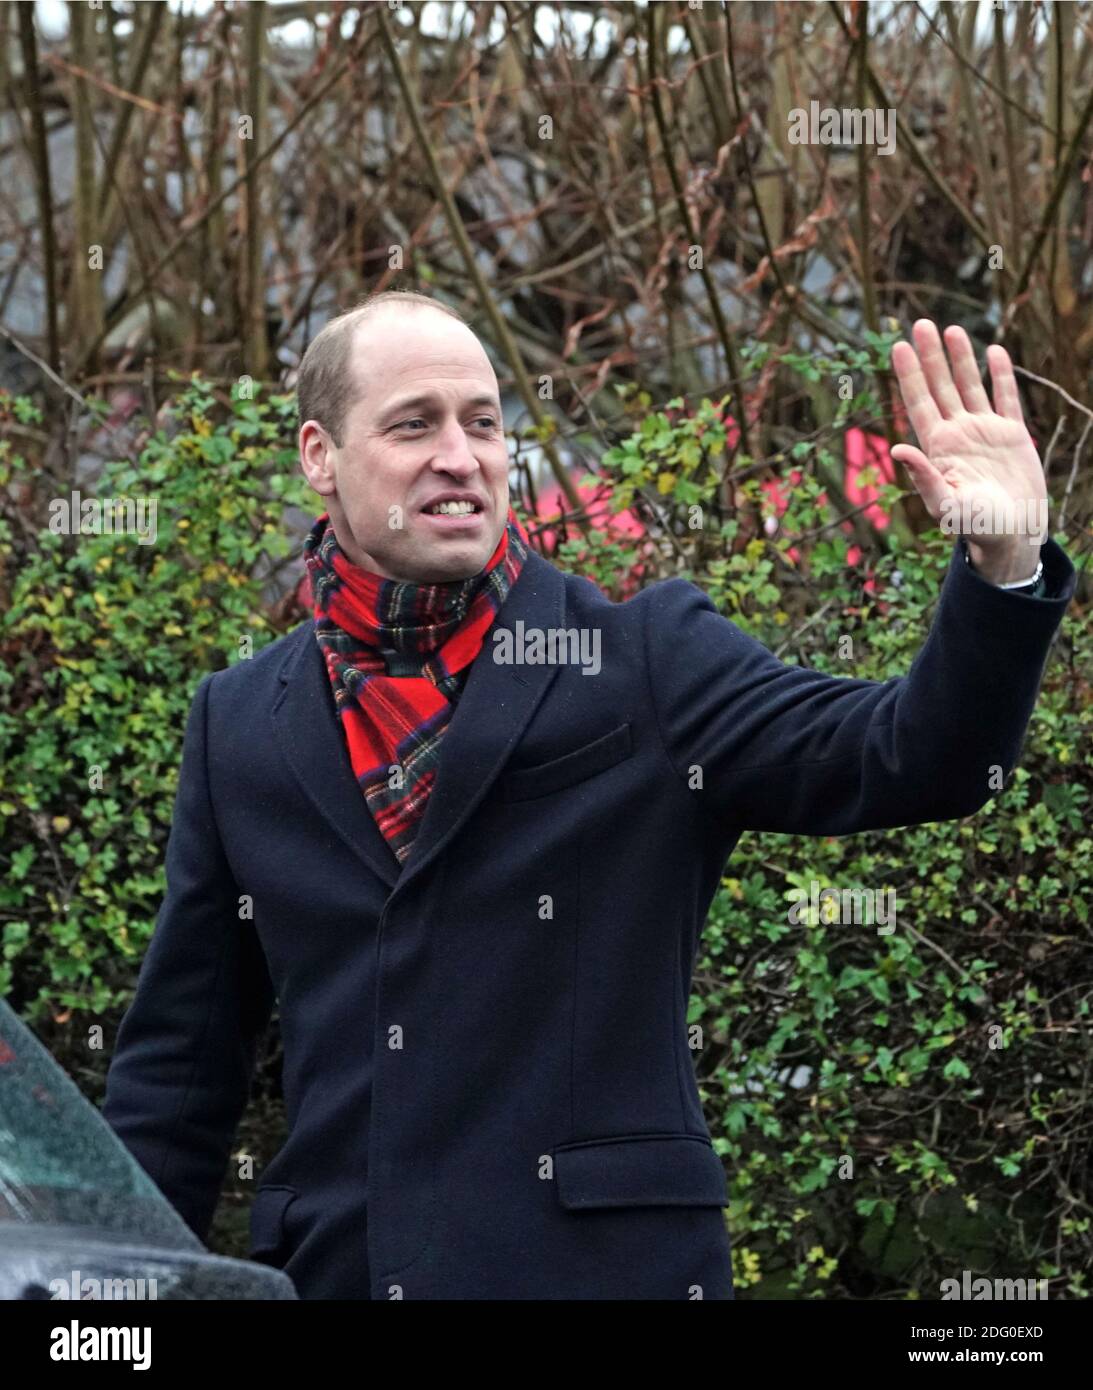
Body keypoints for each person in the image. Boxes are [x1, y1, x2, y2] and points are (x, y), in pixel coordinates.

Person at [101, 291, 1074, 1300]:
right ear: (319, 456)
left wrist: (1002, 569)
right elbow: (180, 1071)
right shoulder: (240, 723)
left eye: (482, 422)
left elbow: (913, 755)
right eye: (412, 423)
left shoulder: (646, 661)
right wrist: (111, 1301)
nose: (460, 454)